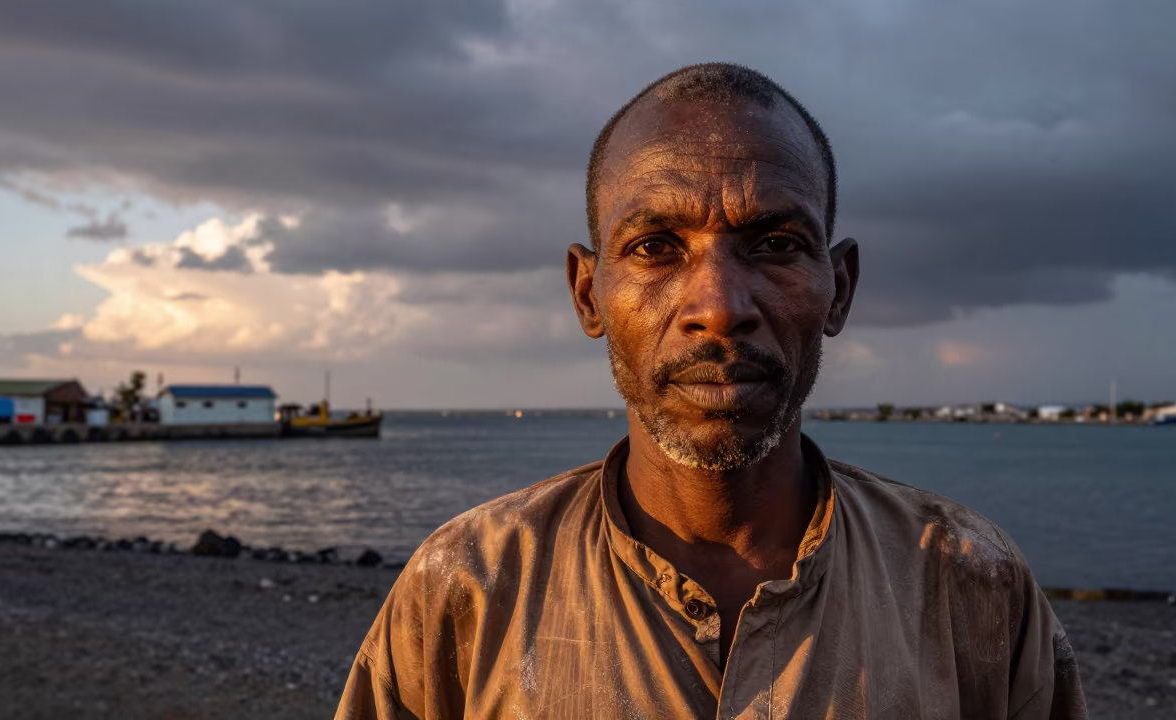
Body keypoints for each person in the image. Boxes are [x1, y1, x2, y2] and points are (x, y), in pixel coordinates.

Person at [336, 62, 1087, 720]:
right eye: (656, 247)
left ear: (840, 287)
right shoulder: (467, 585)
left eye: (776, 245)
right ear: (588, 294)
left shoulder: (967, 581)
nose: (720, 306)